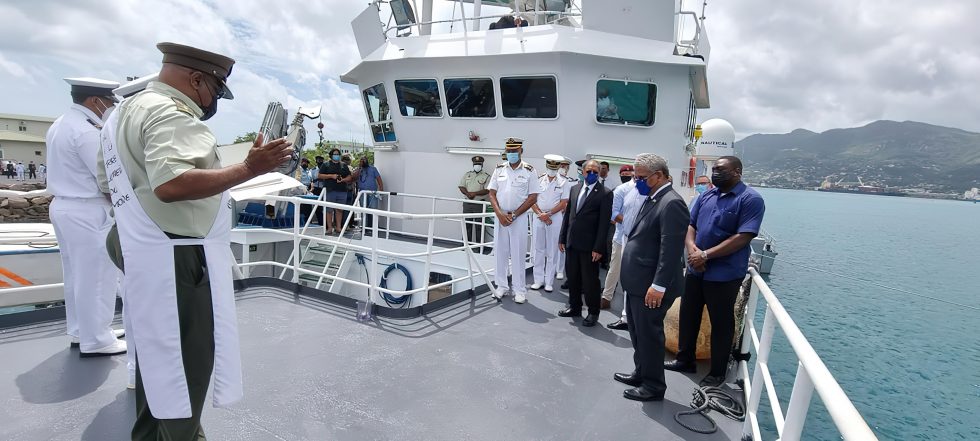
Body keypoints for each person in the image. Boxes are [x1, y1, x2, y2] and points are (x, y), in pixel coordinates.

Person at [104, 42, 292, 439]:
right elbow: (171, 184)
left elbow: (110, 183)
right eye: (215, 90)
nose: (213, 101)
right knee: (185, 366)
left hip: (142, 245)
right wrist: (249, 167)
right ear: (195, 79)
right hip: (176, 257)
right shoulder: (172, 115)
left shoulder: (125, 110)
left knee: (157, 362)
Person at [665, 156, 765, 387]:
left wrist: (706, 255)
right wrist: (693, 251)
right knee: (689, 315)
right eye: (714, 169)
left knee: (722, 323)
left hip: (724, 273)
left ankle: (718, 372)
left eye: (721, 169)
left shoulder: (750, 199)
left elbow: (743, 237)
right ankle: (685, 359)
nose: (715, 173)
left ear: (737, 172)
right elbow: (692, 226)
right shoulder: (706, 195)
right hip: (696, 268)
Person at [46, 77, 127, 358]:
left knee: (76, 275)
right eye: (110, 102)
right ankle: (97, 340)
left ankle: (83, 330)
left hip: (64, 206)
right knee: (97, 276)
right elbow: (106, 181)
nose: (111, 108)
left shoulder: (61, 123)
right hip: (86, 209)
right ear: (95, 101)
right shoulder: (88, 131)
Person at [97, 73, 158, 389]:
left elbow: (105, 181)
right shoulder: (151, 121)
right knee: (155, 303)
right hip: (152, 232)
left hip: (123, 226)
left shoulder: (109, 125)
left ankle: (136, 371)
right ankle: (152, 375)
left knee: (133, 298)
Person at [614, 153, 690, 402]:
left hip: (651, 286)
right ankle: (641, 372)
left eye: (640, 177)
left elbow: (670, 251)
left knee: (649, 335)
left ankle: (654, 386)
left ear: (658, 176)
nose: (636, 182)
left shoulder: (671, 203)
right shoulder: (653, 198)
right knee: (637, 331)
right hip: (638, 283)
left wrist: (658, 285)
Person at [557, 159, 612, 327]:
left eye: (596, 171)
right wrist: (562, 238)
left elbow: (604, 224)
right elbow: (568, 216)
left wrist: (598, 248)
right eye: (590, 171)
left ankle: (593, 312)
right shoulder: (575, 189)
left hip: (590, 247)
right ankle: (575, 307)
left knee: (590, 282)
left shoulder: (605, 193)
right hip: (572, 243)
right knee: (572, 278)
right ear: (583, 171)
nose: (593, 174)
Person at [487, 137, 540, 304]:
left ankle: (519, 289)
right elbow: (491, 193)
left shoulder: (530, 171)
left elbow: (533, 197)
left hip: (519, 218)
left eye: (514, 151)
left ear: (521, 151)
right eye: (508, 151)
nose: (511, 154)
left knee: (518, 253)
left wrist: (514, 215)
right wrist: (499, 214)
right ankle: (501, 286)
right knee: (500, 252)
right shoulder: (499, 169)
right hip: (500, 217)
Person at [529, 154, 570, 293]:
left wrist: (549, 214)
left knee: (552, 250)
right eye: (550, 167)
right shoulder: (538, 179)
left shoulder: (564, 182)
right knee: (538, 249)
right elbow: (532, 199)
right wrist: (541, 214)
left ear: (558, 167)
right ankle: (538, 280)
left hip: (555, 217)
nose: (552, 170)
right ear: (546, 166)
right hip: (539, 216)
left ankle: (549, 282)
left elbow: (564, 202)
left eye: (554, 167)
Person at [601, 165, 636, 311]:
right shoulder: (621, 190)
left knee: (634, 273)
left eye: (630, 172)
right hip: (621, 236)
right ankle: (606, 298)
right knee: (614, 268)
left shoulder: (648, 190)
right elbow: (614, 213)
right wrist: (633, 223)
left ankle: (628, 308)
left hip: (639, 240)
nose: (628, 175)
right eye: (624, 173)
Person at [459, 156, 491, 253]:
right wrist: (468, 194)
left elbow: (487, 190)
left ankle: (479, 246)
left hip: (479, 204)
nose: (477, 166)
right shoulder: (467, 175)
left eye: (479, 164)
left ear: (482, 165)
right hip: (468, 203)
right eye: (476, 164)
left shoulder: (486, 176)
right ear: (473, 165)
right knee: (466, 224)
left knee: (479, 226)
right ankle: (465, 245)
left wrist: (475, 193)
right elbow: (461, 186)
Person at [317, 148, 352, 235]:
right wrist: (331, 176)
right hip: (330, 190)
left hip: (342, 190)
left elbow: (349, 177)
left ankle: (338, 227)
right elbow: (320, 175)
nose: (336, 156)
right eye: (335, 154)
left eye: (338, 154)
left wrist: (343, 180)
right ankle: (329, 228)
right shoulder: (326, 164)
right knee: (329, 210)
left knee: (340, 210)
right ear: (331, 155)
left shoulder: (344, 165)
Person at [555, 157, 576, 282]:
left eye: (565, 166)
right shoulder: (549, 179)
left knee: (561, 243)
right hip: (552, 214)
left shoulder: (572, 182)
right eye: (561, 165)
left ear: (568, 168)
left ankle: (559, 270)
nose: (563, 168)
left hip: (563, 216)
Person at [354, 155, 383, 229]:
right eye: (361, 160)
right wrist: (359, 168)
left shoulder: (373, 169)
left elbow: (379, 179)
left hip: (372, 193)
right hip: (362, 193)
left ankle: (373, 227)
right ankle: (364, 227)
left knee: (373, 210)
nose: (363, 161)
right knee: (364, 210)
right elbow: (354, 177)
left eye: (364, 160)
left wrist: (381, 190)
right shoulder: (358, 170)